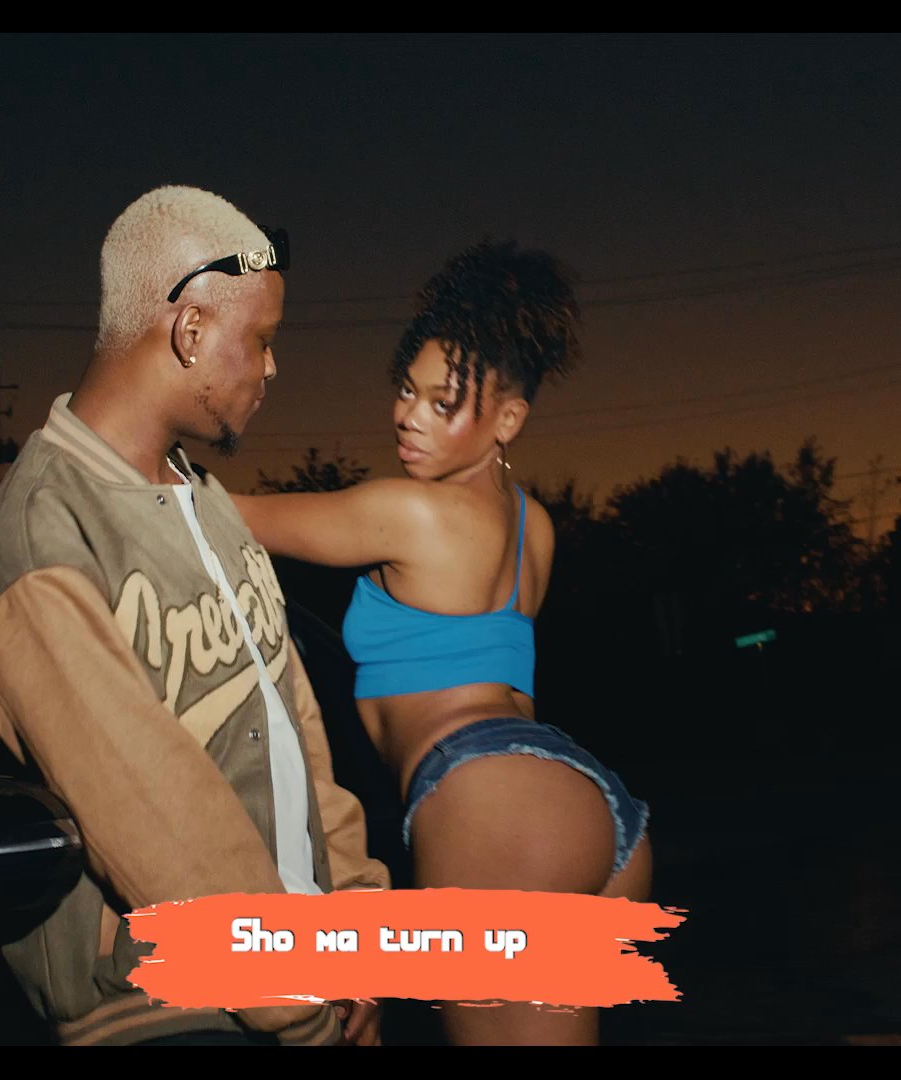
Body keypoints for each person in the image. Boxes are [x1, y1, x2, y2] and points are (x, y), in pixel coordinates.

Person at [0, 185, 388, 1047]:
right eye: (260, 339)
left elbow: (299, 736)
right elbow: (148, 806)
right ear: (190, 330)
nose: (271, 368)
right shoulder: (42, 529)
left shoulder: (209, 502)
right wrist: (297, 1003)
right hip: (172, 1017)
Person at [231, 241, 652, 1045]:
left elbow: (226, 515)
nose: (409, 416)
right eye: (406, 390)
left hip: (494, 811)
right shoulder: (535, 526)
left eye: (442, 402)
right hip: (589, 808)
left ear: (508, 420)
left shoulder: (408, 512)